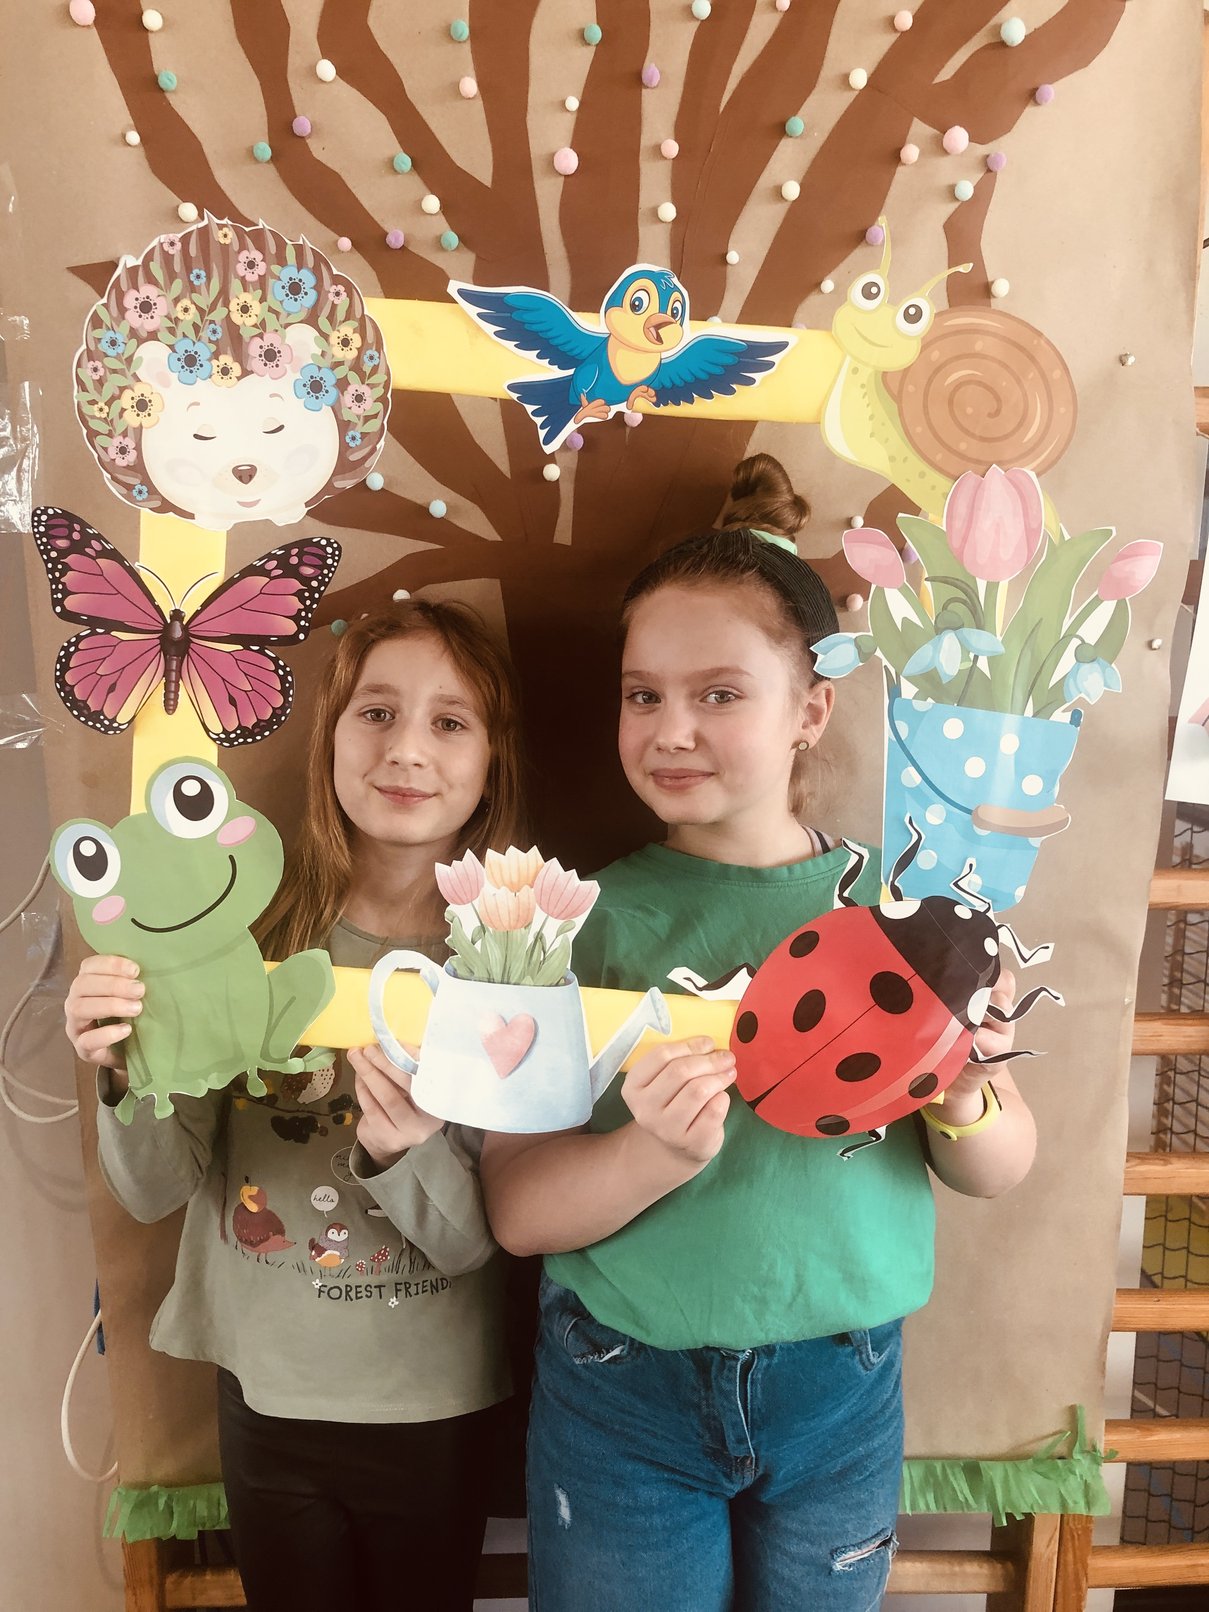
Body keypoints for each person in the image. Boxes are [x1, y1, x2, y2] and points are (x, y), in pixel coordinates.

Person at [481, 453, 1039, 1612]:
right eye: (643, 694)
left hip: (842, 1388)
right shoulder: (571, 921)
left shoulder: (908, 915)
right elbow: (519, 1210)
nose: (671, 728)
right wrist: (647, 1155)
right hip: (621, 1389)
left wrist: (965, 1094)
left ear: (812, 709)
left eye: (720, 693)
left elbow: (999, 1166)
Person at [65, 601, 526, 1612]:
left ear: (492, 761)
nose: (407, 749)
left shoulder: (509, 967)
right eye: (377, 712)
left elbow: (480, 1243)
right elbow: (152, 1190)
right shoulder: (242, 937)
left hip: (434, 1401)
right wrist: (126, 1064)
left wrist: (407, 1153)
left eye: (451, 721)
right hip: (267, 1392)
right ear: (330, 738)